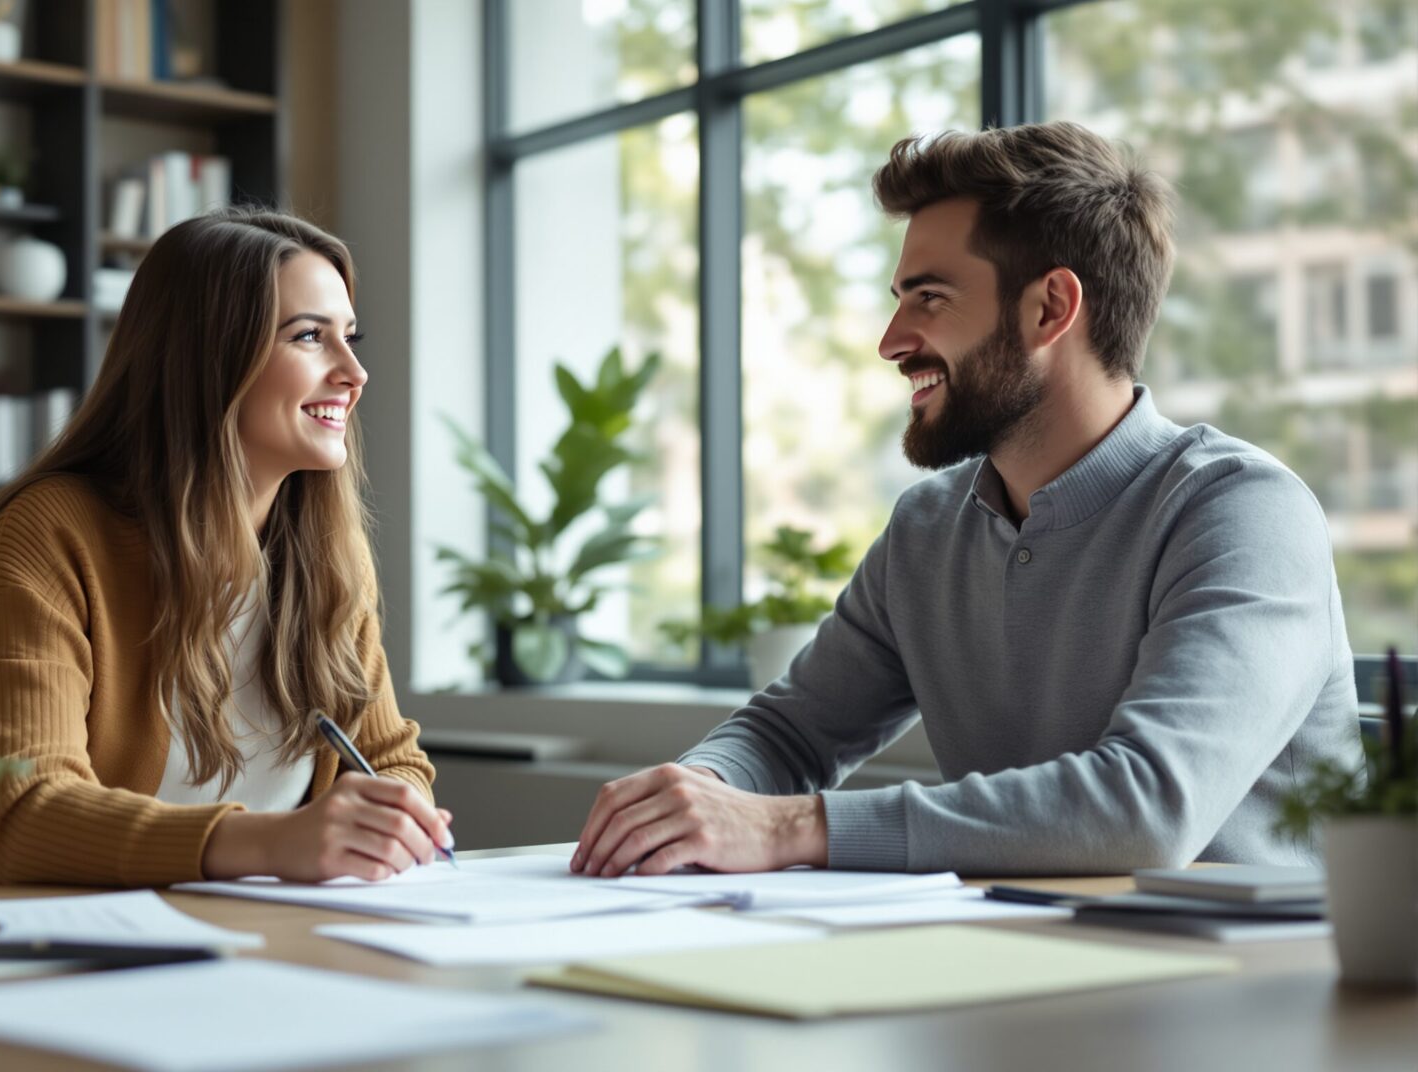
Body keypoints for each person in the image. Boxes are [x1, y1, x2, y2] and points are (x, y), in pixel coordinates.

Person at [572, 121, 1363, 878]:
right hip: (1013, 969)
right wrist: (691, 800)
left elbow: (1148, 808)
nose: (891, 340)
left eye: (930, 298)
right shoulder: (928, 528)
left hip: (1244, 995)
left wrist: (788, 827)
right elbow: (791, 732)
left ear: (1051, 308)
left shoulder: (1243, 511)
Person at [0, 211, 451, 889]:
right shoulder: (48, 535)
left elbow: (393, 762)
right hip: (41, 951)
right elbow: (27, 816)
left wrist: (393, 817)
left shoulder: (328, 557)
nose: (355, 373)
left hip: (260, 947)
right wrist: (278, 842)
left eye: (350, 337)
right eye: (310, 336)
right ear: (210, 357)